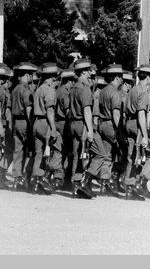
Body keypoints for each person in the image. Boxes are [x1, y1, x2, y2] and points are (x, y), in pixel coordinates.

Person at [123, 64, 150, 200]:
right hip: (138, 125)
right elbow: (141, 114)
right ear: (148, 78)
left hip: (129, 124)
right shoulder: (143, 92)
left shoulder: (132, 90)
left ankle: (129, 188)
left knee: (133, 157)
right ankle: (140, 182)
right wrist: (144, 135)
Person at [91, 65, 125, 198]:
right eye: (121, 77)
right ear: (117, 77)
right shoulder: (115, 92)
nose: (121, 80)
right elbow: (116, 114)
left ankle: (104, 183)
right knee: (117, 154)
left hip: (102, 124)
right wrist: (120, 131)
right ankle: (109, 182)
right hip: (111, 125)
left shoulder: (103, 91)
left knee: (106, 155)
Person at [29, 63, 60, 195]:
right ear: (52, 78)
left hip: (36, 121)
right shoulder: (49, 90)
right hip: (46, 122)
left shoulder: (39, 89)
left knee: (39, 153)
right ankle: (45, 179)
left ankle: (36, 183)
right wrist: (53, 128)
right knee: (50, 152)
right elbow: (50, 111)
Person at [67, 60, 96, 199]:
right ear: (83, 72)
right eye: (89, 70)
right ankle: (81, 183)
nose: (91, 72)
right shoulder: (85, 88)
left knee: (76, 154)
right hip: (82, 124)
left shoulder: (73, 87)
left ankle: (75, 185)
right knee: (85, 154)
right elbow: (87, 111)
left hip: (73, 122)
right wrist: (90, 130)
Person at [8, 62, 38, 191]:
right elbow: (29, 109)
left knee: (18, 151)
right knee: (30, 151)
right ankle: (27, 177)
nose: (32, 78)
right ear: (27, 75)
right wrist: (33, 125)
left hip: (16, 122)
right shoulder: (26, 90)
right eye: (31, 75)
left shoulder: (14, 89)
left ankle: (16, 178)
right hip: (25, 122)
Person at [53, 68, 75, 190]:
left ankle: (56, 177)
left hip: (57, 123)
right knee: (66, 152)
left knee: (58, 151)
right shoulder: (65, 92)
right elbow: (68, 111)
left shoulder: (57, 90)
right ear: (69, 81)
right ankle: (61, 178)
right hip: (64, 124)